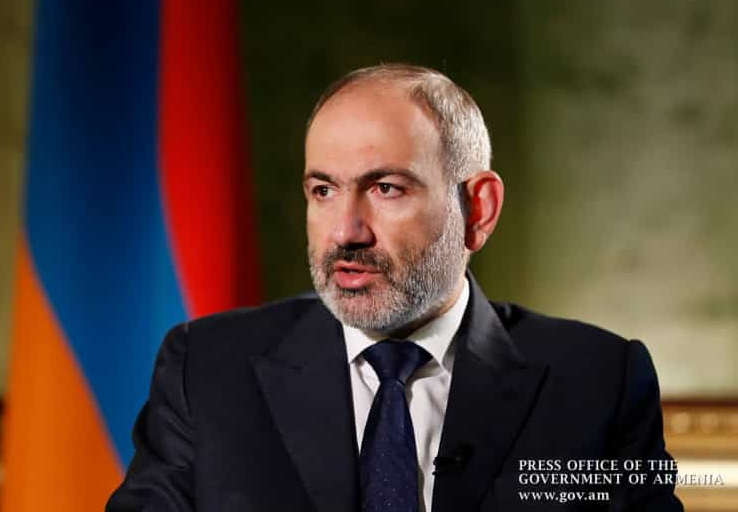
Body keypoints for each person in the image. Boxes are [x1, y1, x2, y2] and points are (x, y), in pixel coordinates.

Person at [107, 64, 683, 511]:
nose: (345, 232)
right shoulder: (208, 370)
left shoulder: (597, 383)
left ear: (478, 210)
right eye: (323, 191)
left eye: (386, 188)